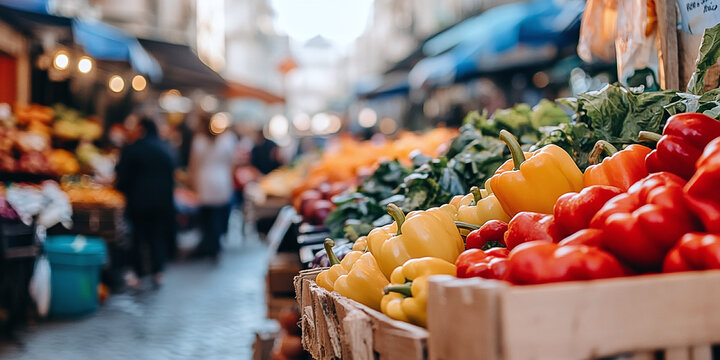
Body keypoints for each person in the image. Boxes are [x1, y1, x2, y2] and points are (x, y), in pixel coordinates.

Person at [116, 117, 176, 288]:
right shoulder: (165, 149)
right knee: (156, 236)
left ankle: (139, 273)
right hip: (162, 203)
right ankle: (158, 272)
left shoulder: (133, 149)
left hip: (139, 202)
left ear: (141, 128)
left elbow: (123, 177)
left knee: (137, 238)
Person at [188, 113, 237, 260]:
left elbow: (193, 164)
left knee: (207, 217)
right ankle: (214, 245)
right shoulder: (227, 139)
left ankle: (209, 245)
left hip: (205, 180)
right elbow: (232, 162)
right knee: (217, 215)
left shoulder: (199, 140)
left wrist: (192, 182)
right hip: (222, 181)